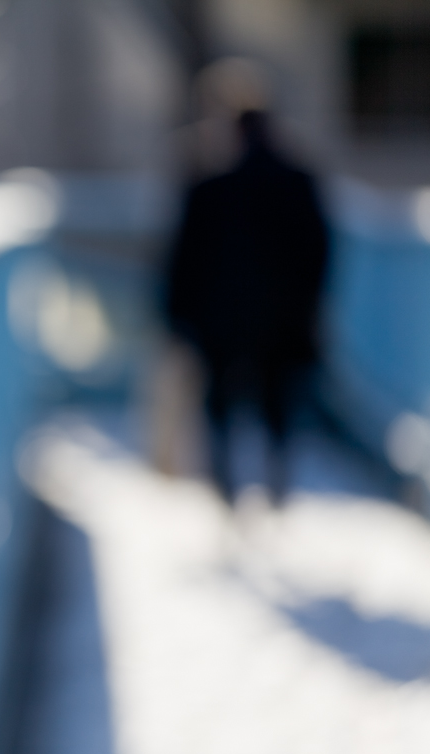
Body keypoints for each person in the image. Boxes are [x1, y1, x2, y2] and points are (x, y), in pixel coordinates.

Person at [164, 110, 329, 503]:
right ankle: (274, 483)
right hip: (284, 321)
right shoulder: (297, 182)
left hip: (219, 321)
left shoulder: (208, 187)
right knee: (278, 403)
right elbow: (319, 253)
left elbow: (182, 259)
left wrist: (176, 317)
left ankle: (226, 487)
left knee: (220, 404)